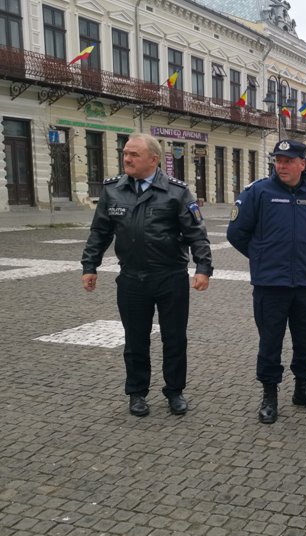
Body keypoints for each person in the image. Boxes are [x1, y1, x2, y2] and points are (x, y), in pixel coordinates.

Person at [80, 133, 213, 417]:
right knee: (135, 339)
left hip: (170, 277)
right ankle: (137, 393)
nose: (126, 158)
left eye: (134, 155)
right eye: (125, 153)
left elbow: (196, 234)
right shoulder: (113, 190)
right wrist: (90, 266)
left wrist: (203, 268)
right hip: (131, 279)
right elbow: (100, 232)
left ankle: (174, 391)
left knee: (174, 338)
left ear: (153, 160)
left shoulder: (177, 192)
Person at [227, 139, 306, 424]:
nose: (282, 165)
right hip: (270, 285)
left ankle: (303, 389)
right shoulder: (257, 192)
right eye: (278, 160)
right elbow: (236, 233)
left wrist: (305, 255)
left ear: (302, 163)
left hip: (305, 283)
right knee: (270, 341)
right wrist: (261, 257)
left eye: (288, 161)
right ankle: (269, 395)